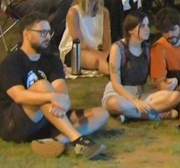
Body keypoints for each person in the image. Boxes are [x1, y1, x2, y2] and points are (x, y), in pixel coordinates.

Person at [0, 12, 108, 159]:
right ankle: (78, 141)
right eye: (42, 32)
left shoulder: (52, 60)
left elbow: (60, 87)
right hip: (14, 123)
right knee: (42, 85)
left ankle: (58, 141)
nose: (48, 37)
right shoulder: (12, 62)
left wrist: (63, 100)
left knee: (101, 114)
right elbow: (18, 96)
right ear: (26, 34)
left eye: (49, 32)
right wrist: (52, 96)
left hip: (48, 117)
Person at [102, 11, 180, 121]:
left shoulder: (148, 49)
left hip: (141, 94)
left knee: (175, 96)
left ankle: (129, 115)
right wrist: (134, 101)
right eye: (142, 26)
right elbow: (115, 83)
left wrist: (168, 81)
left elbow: (155, 76)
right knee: (115, 104)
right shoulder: (118, 48)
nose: (147, 29)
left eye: (147, 25)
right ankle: (153, 115)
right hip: (119, 93)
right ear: (130, 30)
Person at [57, 0, 111, 76]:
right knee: (98, 60)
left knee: (114, 58)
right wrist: (102, 55)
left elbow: (106, 37)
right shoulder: (74, 13)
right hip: (75, 50)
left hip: (95, 48)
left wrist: (108, 53)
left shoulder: (104, 12)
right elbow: (79, 43)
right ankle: (118, 76)